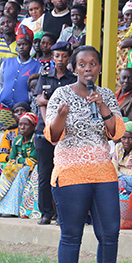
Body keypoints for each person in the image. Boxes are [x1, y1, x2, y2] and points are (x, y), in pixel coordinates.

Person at [44, 45, 126, 263]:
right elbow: (53, 135)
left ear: (99, 68)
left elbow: (116, 133)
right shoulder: (61, 94)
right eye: (82, 64)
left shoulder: (107, 94)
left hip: (103, 172)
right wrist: (61, 115)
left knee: (110, 232)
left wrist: (101, 106)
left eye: (93, 64)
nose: (88, 69)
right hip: (71, 173)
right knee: (72, 234)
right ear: (74, 68)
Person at [33, 41, 75, 225]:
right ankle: (46, 213)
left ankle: (62, 214)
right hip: (43, 132)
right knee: (45, 174)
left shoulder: (73, 79)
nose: (60, 59)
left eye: (64, 56)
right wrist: (50, 123)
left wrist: (47, 103)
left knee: (64, 174)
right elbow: (38, 101)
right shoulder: (44, 77)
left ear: (69, 58)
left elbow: (70, 107)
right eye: (57, 56)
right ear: (52, 57)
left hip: (65, 133)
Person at [0, 112, 39, 217]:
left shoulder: (36, 140)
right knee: (5, 172)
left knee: (22, 173)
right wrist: (19, 161)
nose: (22, 127)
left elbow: (32, 160)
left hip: (32, 168)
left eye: (26, 125)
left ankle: (13, 209)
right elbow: (11, 158)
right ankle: (1, 207)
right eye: (20, 124)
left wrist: (19, 161)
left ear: (34, 126)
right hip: (18, 166)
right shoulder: (17, 139)